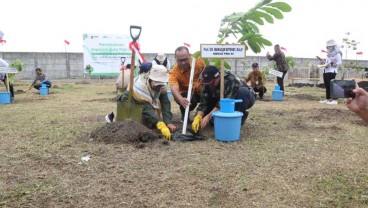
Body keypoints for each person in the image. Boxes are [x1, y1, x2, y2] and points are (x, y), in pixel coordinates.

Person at [106, 65, 176, 140]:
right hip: (130, 100)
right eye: (157, 84)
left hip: (145, 104)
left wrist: (168, 122)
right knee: (132, 124)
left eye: (162, 84)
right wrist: (160, 124)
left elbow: (165, 103)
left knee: (150, 122)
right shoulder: (140, 86)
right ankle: (113, 118)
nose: (159, 87)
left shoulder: (162, 86)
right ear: (151, 79)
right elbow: (146, 108)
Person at [191, 65, 256, 133]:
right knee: (211, 122)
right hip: (222, 99)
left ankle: (239, 118)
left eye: (211, 82)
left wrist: (208, 116)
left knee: (243, 91)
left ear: (218, 77)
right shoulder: (207, 83)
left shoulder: (229, 78)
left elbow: (225, 101)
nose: (209, 85)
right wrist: (198, 116)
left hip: (243, 98)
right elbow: (203, 102)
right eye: (207, 82)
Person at [169, 46, 206, 123]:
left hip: (200, 90)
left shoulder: (198, 62)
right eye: (180, 60)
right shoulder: (174, 72)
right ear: (175, 58)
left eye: (185, 59)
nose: (183, 62)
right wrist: (180, 99)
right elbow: (174, 88)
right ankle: (184, 113)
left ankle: (203, 114)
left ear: (189, 56)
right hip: (185, 94)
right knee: (190, 100)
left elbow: (206, 73)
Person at [319, 39, 342, 105]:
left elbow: (339, 63)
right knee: (327, 85)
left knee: (332, 85)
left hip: (332, 71)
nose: (328, 48)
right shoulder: (328, 54)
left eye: (330, 46)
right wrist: (323, 62)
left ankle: (335, 100)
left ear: (334, 46)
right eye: (328, 46)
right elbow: (327, 62)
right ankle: (328, 99)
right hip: (326, 71)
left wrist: (331, 64)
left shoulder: (337, 54)